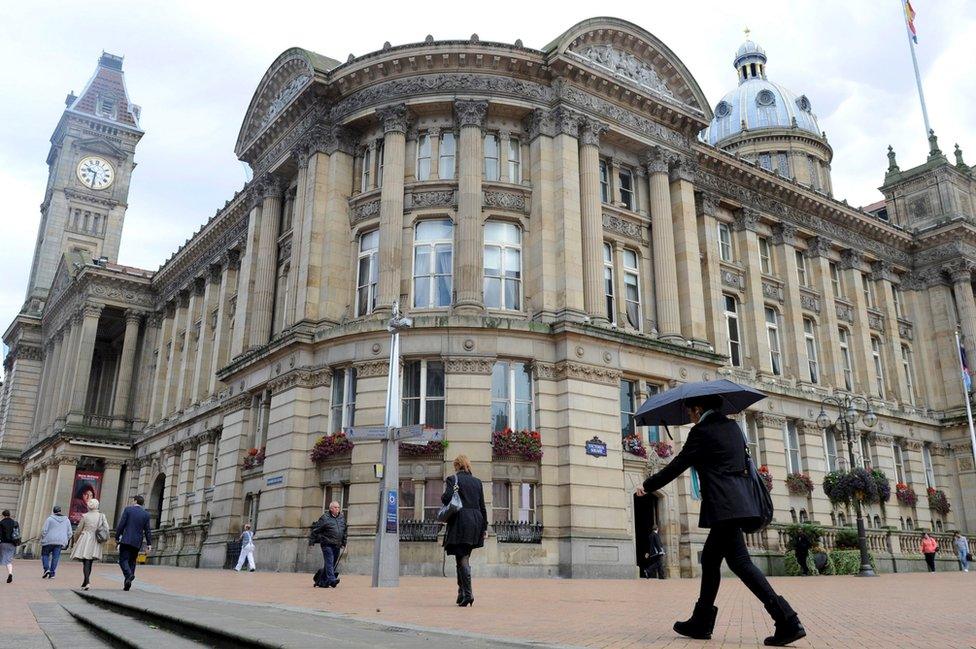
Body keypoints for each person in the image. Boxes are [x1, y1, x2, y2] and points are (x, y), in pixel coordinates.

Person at [636, 395, 805, 647]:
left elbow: (678, 465)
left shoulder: (702, 431)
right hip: (737, 504)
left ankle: (787, 619)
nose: (690, 416)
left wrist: (648, 485)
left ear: (698, 408)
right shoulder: (732, 427)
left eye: (690, 411)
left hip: (723, 507)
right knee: (712, 560)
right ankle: (701, 621)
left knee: (741, 563)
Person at [442, 454, 487, 607]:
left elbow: (446, 498)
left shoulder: (453, 479)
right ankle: (461, 593)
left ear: (456, 465)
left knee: (462, 558)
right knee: (462, 556)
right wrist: (485, 528)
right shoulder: (477, 482)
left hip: (460, 521)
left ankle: (468, 594)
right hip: (476, 521)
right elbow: (482, 506)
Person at [116, 495, 153, 590]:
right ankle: (127, 584)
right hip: (137, 542)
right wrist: (149, 543)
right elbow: (148, 530)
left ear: (135, 501)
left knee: (123, 560)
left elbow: (121, 524)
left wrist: (117, 537)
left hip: (126, 539)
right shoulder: (146, 514)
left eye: (133, 500)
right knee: (132, 561)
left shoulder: (128, 510)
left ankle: (129, 575)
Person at [71, 498, 107, 590]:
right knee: (89, 561)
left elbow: (79, 529)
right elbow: (106, 528)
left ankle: (87, 582)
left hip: (85, 538)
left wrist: (75, 539)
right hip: (96, 539)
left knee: (86, 561)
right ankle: (85, 581)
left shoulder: (85, 516)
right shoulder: (101, 516)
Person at [311, 502, 346, 588]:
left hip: (337, 544)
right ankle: (332, 580)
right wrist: (320, 539)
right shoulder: (324, 518)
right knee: (329, 562)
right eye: (335, 507)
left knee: (331, 564)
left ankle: (320, 580)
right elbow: (315, 530)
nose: (337, 509)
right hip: (327, 544)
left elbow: (344, 531)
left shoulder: (341, 518)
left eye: (338, 507)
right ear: (331, 509)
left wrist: (344, 542)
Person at [40, 505, 72, 579]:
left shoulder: (50, 519)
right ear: (60, 511)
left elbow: (44, 530)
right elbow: (70, 533)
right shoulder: (66, 520)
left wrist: (43, 537)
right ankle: (52, 573)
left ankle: (46, 569)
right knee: (56, 557)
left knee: (45, 555)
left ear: (53, 511)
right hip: (60, 541)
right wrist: (65, 539)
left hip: (48, 540)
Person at [0, 509, 21, 583]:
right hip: (12, 543)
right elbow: (18, 533)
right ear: (9, 515)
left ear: (2, 515)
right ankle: (10, 573)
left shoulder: (1, 523)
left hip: (3, 543)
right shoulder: (15, 523)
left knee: (1, 558)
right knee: (8, 560)